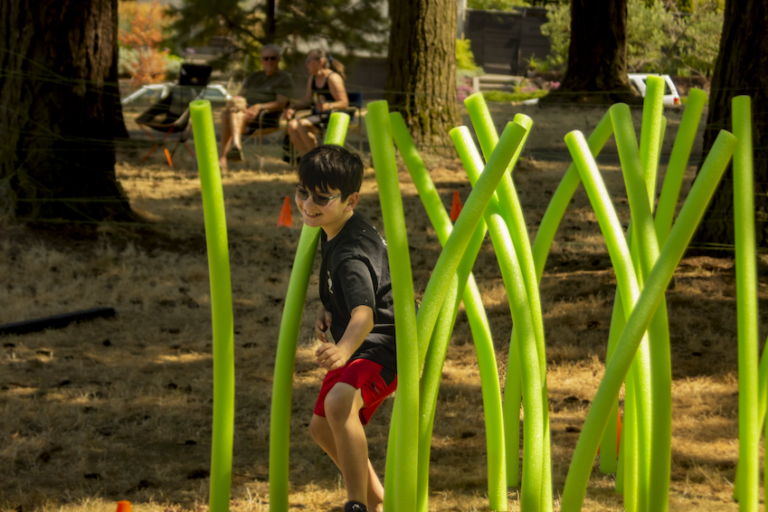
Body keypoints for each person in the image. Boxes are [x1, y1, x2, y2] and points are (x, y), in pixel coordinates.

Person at [297, 145, 396, 512]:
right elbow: (357, 294)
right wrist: (329, 306)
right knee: (321, 427)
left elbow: (365, 314)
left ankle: (357, 505)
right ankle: (377, 500)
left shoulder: (350, 252)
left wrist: (342, 349)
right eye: (302, 192)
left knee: (339, 405)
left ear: (351, 199)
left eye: (321, 197)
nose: (308, 204)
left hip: (383, 345)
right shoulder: (335, 224)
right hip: (362, 341)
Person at [219, 44, 293, 168]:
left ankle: (227, 155)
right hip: (244, 116)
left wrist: (259, 107)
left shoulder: (284, 78)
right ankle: (231, 151)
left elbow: (281, 104)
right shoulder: (254, 76)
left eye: (273, 58)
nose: (269, 61)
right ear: (261, 60)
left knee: (231, 114)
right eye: (266, 58)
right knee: (228, 112)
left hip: (267, 118)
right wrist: (239, 104)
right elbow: (240, 96)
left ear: (279, 59)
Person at [283, 49, 349, 156]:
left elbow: (344, 103)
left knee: (301, 124)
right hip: (316, 116)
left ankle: (317, 160)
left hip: (331, 117)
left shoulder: (332, 78)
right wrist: (293, 107)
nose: (306, 64)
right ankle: (306, 161)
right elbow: (308, 102)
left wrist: (327, 106)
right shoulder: (312, 78)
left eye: (309, 60)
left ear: (320, 62)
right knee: (292, 125)